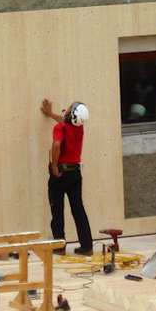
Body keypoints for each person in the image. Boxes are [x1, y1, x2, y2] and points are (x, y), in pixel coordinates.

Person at [40, 98, 94, 255]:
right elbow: (64, 120)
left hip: (60, 173)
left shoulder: (60, 128)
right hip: (75, 173)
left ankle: (59, 247)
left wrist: (55, 166)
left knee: (57, 209)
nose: (69, 108)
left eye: (71, 108)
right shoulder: (79, 127)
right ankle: (86, 246)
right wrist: (50, 114)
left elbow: (56, 145)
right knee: (78, 209)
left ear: (72, 114)